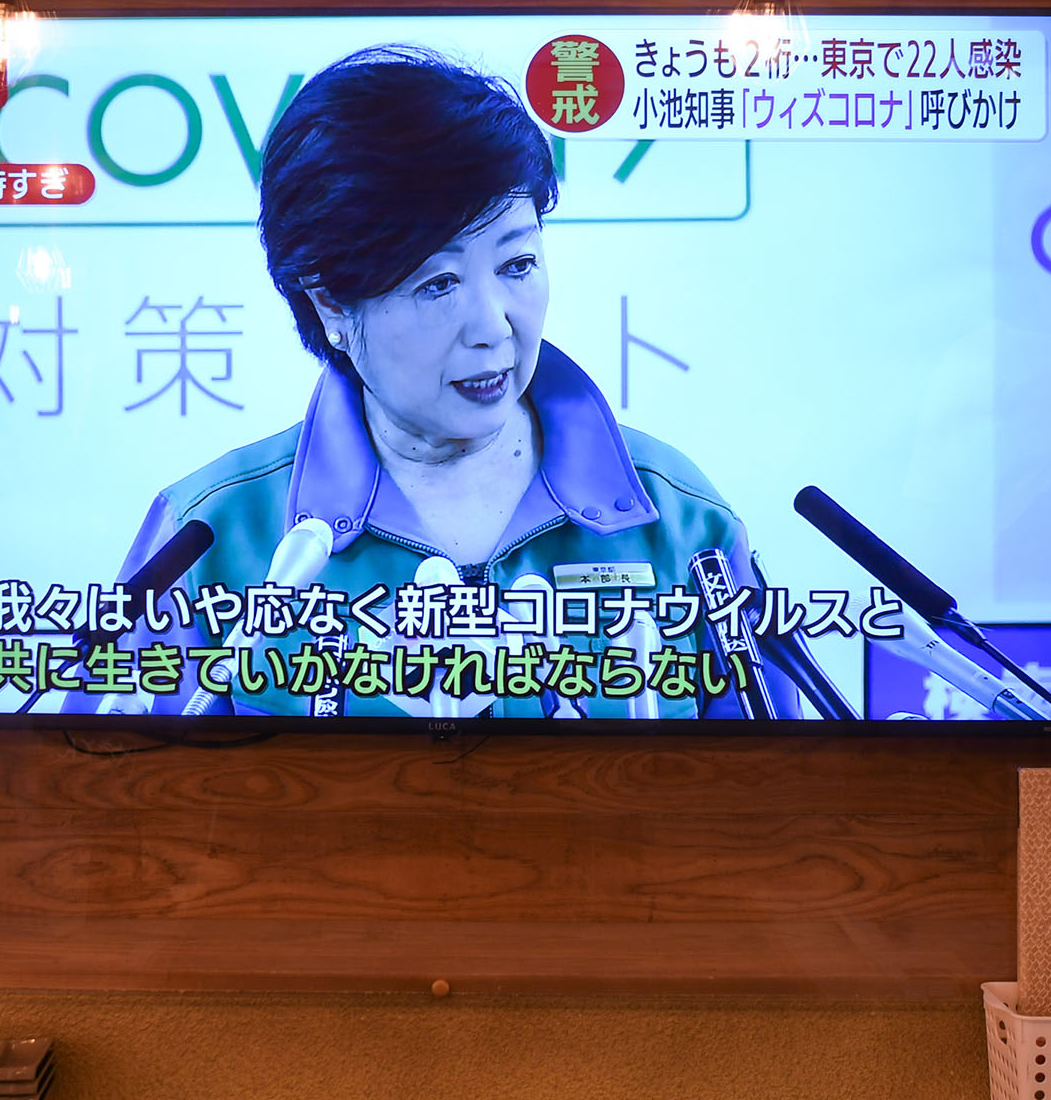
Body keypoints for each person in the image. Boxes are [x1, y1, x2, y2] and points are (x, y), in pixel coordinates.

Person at [74, 47, 783, 720]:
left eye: (516, 265)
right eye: (438, 283)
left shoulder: (679, 519)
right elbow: (92, 809)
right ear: (330, 307)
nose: (493, 327)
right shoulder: (212, 537)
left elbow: (780, 806)